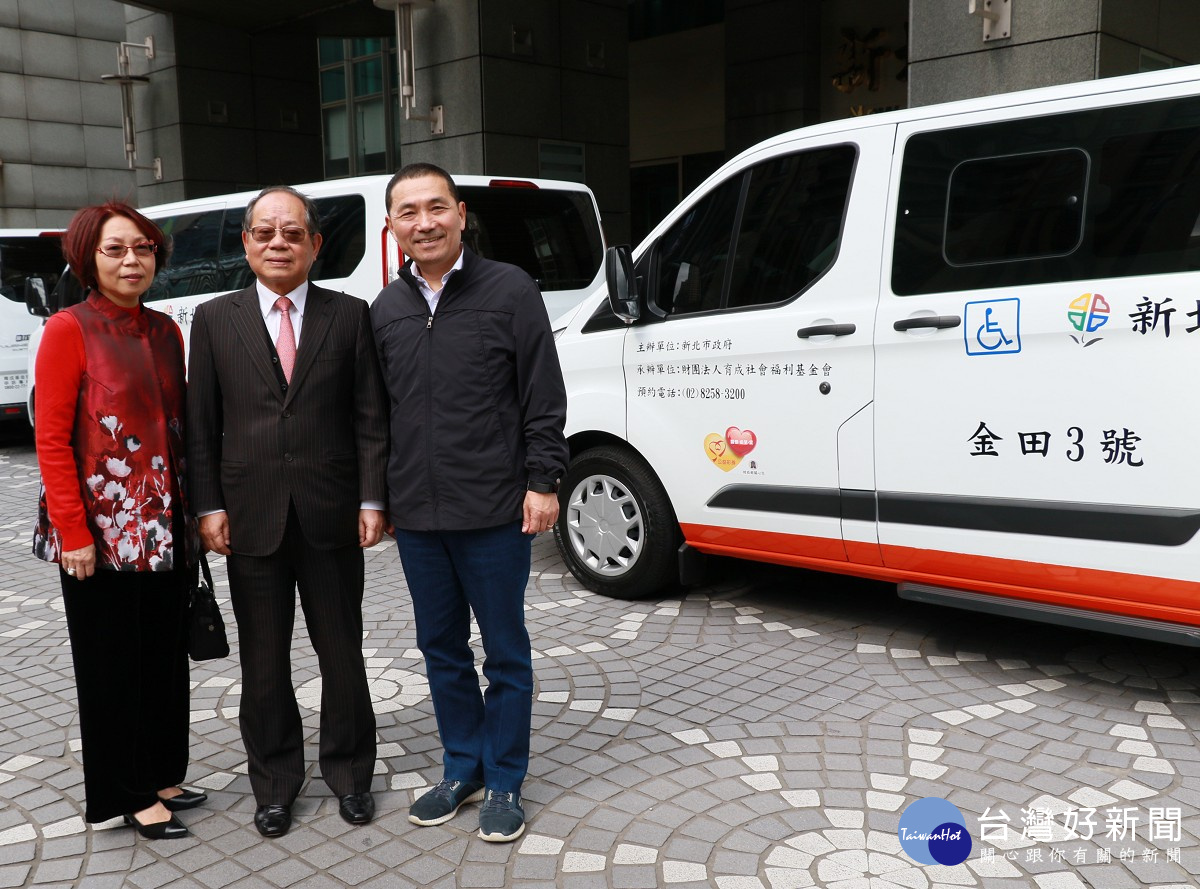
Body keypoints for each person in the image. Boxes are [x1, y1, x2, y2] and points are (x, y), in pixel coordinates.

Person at [371, 163, 568, 843]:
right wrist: (379, 497)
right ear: (391, 227)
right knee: (440, 648)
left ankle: (505, 777)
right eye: (408, 212)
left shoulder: (510, 289)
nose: (423, 223)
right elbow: (379, 414)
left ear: (460, 214)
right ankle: (463, 766)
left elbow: (543, 394)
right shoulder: (386, 309)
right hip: (418, 515)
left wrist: (544, 481)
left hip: (495, 510)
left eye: (436, 208)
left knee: (505, 651)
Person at [186, 186, 388, 839]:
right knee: (264, 661)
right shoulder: (214, 320)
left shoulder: (349, 315)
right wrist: (208, 504)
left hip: (333, 513)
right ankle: (274, 784)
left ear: (315, 244)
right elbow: (201, 424)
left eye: (293, 233)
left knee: (343, 654)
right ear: (247, 243)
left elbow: (369, 415)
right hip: (249, 517)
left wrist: (372, 497)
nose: (279, 243)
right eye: (265, 232)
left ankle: (351, 774)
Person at [32, 201, 206, 840]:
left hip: (165, 524)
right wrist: (72, 532)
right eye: (116, 249)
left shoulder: (164, 330)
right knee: (112, 666)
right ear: (89, 258)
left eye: (143, 247)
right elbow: (51, 439)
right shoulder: (68, 329)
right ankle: (125, 792)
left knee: (163, 656)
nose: (133, 260)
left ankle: (161, 773)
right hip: (100, 534)